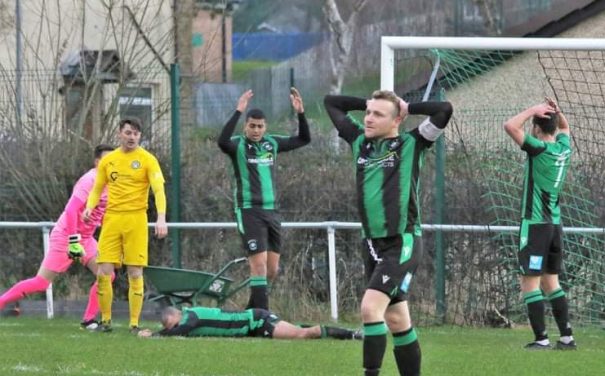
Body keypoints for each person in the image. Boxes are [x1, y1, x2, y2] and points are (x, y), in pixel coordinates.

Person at [324, 91, 453, 376]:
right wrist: (367, 102)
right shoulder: (359, 141)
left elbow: (444, 109)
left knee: (371, 308)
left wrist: (408, 106)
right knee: (396, 319)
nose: (368, 118)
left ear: (397, 120)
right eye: (368, 113)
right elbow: (331, 102)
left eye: (378, 114)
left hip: (402, 241)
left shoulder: (412, 143)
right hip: (370, 244)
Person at [0, 144, 115, 328]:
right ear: (97, 162)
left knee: (107, 276)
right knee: (41, 283)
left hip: (85, 239)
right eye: (108, 160)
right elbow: (70, 210)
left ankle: (89, 320)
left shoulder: (112, 183)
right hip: (66, 236)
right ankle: (1, 301)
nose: (113, 164)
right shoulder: (89, 180)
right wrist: (73, 241)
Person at [217, 88, 311, 310]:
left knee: (271, 270)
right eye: (252, 126)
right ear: (246, 126)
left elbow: (304, 139)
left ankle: (252, 311)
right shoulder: (238, 145)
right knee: (258, 267)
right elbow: (222, 141)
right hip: (249, 210)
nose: (256, 130)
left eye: (260, 126)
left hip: (272, 211)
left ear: (265, 127)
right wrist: (239, 110)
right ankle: (263, 316)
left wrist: (301, 113)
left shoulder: (272, 144)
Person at [82, 118, 168, 333]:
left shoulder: (148, 160)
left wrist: (161, 217)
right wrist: (89, 207)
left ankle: (134, 323)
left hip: (136, 220)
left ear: (140, 136)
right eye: (128, 132)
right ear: (120, 133)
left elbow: (158, 190)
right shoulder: (108, 160)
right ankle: (106, 321)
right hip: (111, 219)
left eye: (136, 133)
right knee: (104, 271)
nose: (132, 137)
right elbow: (97, 188)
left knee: (135, 272)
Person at [503, 97, 575, 350]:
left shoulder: (539, 149)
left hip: (535, 225)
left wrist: (534, 109)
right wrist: (557, 112)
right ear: (554, 127)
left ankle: (541, 339)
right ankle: (567, 338)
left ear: (535, 128)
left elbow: (510, 126)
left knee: (530, 283)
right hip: (555, 225)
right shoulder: (564, 149)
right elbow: (565, 129)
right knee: (551, 282)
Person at [136, 305, 361, 340]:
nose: (174, 329)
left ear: (176, 316)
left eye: (172, 325)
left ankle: (353, 335)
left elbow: (182, 330)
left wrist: (155, 336)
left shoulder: (191, 317)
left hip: (256, 322)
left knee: (302, 335)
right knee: (299, 330)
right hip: (255, 321)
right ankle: (351, 334)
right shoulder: (188, 315)